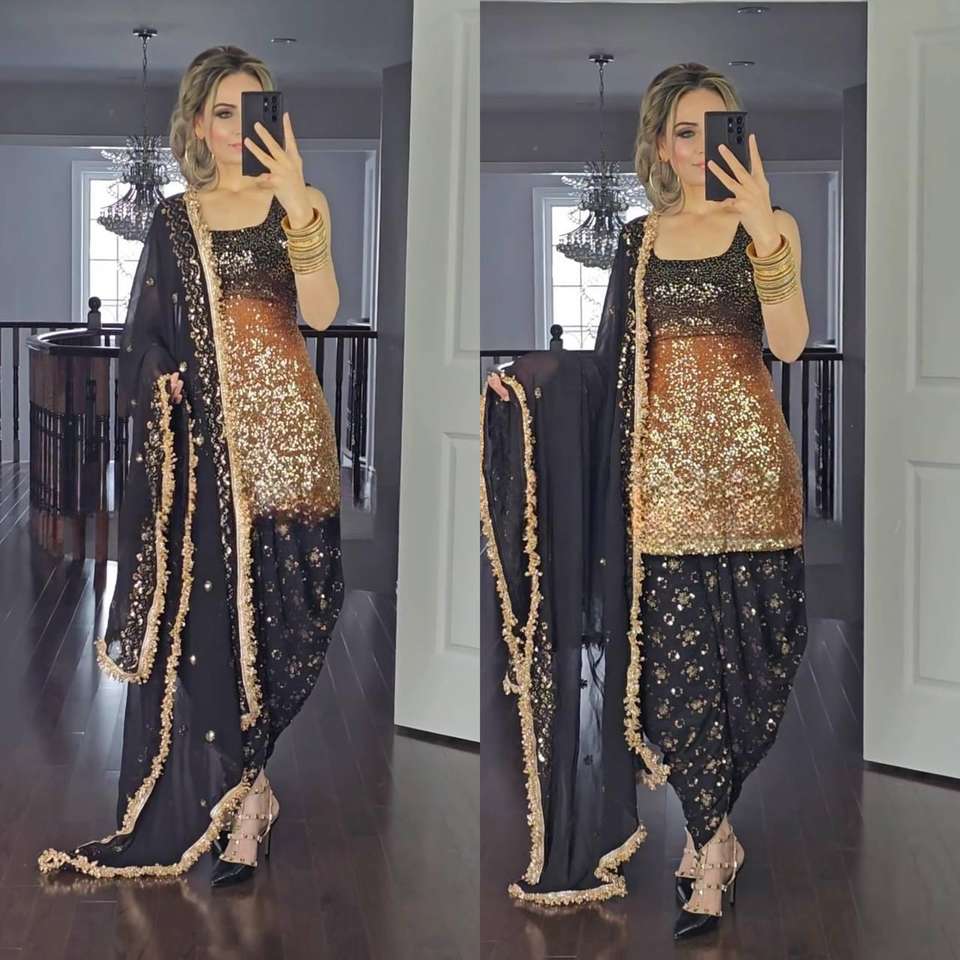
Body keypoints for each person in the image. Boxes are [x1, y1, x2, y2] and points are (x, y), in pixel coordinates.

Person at [482, 62, 809, 939]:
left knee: (761, 659)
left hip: (753, 478)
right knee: (667, 673)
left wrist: (760, 229)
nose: (702, 149)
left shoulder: (770, 226)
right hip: (660, 485)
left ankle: (714, 826)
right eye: (686, 132)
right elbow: (609, 367)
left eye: (718, 128)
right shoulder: (640, 240)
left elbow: (790, 342)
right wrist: (531, 383)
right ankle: (710, 842)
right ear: (661, 144)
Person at [37, 46, 345, 886]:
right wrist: (162, 385)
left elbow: (322, 313)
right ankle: (250, 799)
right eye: (221, 112)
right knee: (214, 627)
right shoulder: (176, 221)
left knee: (291, 616)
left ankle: (253, 776)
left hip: (290, 447)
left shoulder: (301, 202)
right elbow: (145, 339)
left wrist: (297, 203)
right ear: (198, 125)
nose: (236, 129)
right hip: (207, 453)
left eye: (251, 110)